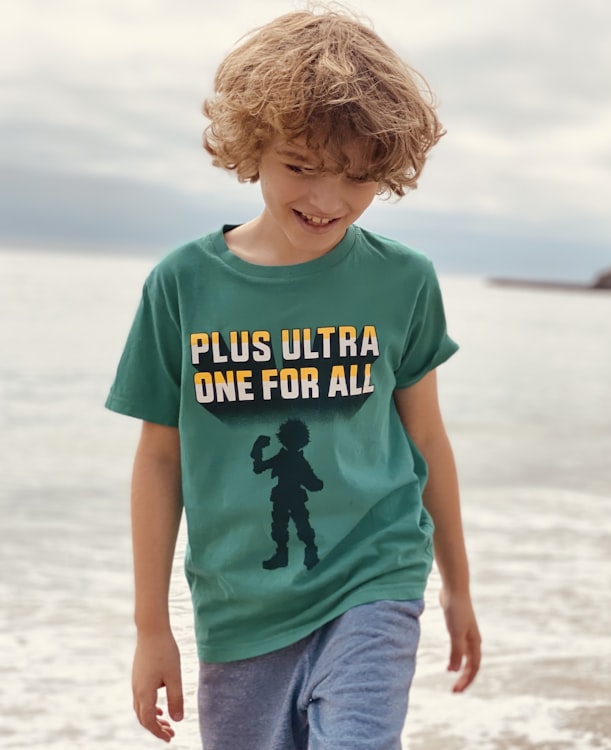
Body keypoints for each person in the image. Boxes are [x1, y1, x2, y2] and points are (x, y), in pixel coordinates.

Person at [105, 8, 481, 748]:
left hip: (375, 575)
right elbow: (159, 457)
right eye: (300, 167)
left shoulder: (403, 281)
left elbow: (426, 435)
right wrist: (153, 629)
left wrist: (458, 586)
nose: (327, 200)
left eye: (357, 176)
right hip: (240, 608)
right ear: (252, 147)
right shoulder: (180, 285)